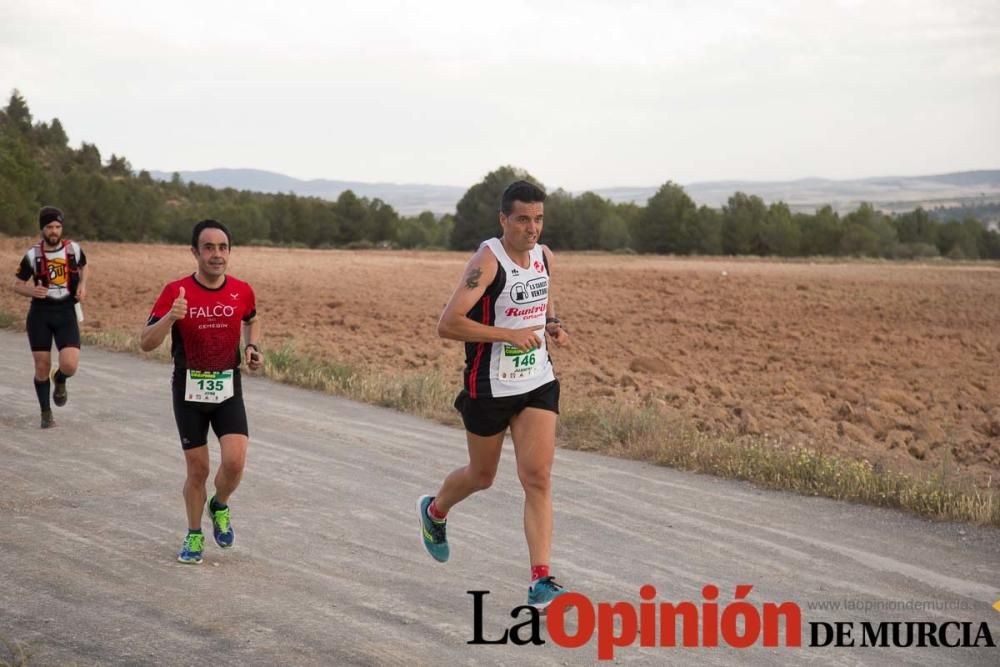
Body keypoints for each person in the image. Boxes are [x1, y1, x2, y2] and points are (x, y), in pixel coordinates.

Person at [418, 180, 571, 611]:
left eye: (538, 219)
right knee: (481, 476)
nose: (532, 228)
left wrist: (551, 322)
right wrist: (508, 335)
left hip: (537, 381)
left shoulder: (544, 256)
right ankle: (435, 511)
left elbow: (542, 294)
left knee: (537, 477)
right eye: (523, 219)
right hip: (488, 387)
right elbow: (447, 324)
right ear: (504, 219)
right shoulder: (487, 262)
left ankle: (541, 579)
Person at [140, 219, 263, 564]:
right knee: (198, 471)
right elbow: (146, 343)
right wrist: (169, 318)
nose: (216, 254)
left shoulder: (242, 290)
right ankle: (194, 535)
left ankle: (219, 504)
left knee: (235, 463)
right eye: (208, 247)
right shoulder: (175, 292)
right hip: (188, 389)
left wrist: (252, 347)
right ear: (195, 252)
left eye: (222, 248)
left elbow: (251, 318)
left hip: (228, 387)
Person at [12, 206, 88, 428]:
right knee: (41, 366)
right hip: (40, 315)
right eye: (49, 227)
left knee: (70, 364)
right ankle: (46, 413)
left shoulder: (73, 249)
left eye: (57, 226)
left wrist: (83, 285)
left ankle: (61, 379)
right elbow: (16, 285)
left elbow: (84, 267)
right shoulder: (32, 255)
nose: (54, 231)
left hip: (66, 312)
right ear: (42, 229)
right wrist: (31, 291)